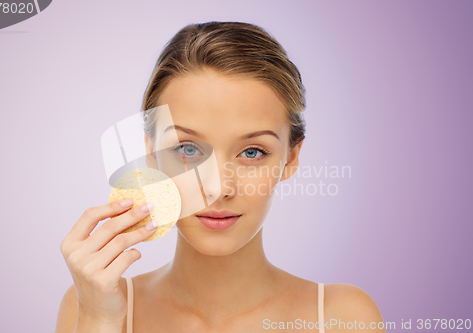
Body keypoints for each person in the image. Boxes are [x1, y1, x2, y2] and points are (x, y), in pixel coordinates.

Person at [55, 21, 386, 333]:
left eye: (252, 152)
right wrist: (98, 320)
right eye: (187, 149)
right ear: (152, 154)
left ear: (291, 157)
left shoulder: (342, 317)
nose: (219, 188)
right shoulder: (92, 304)